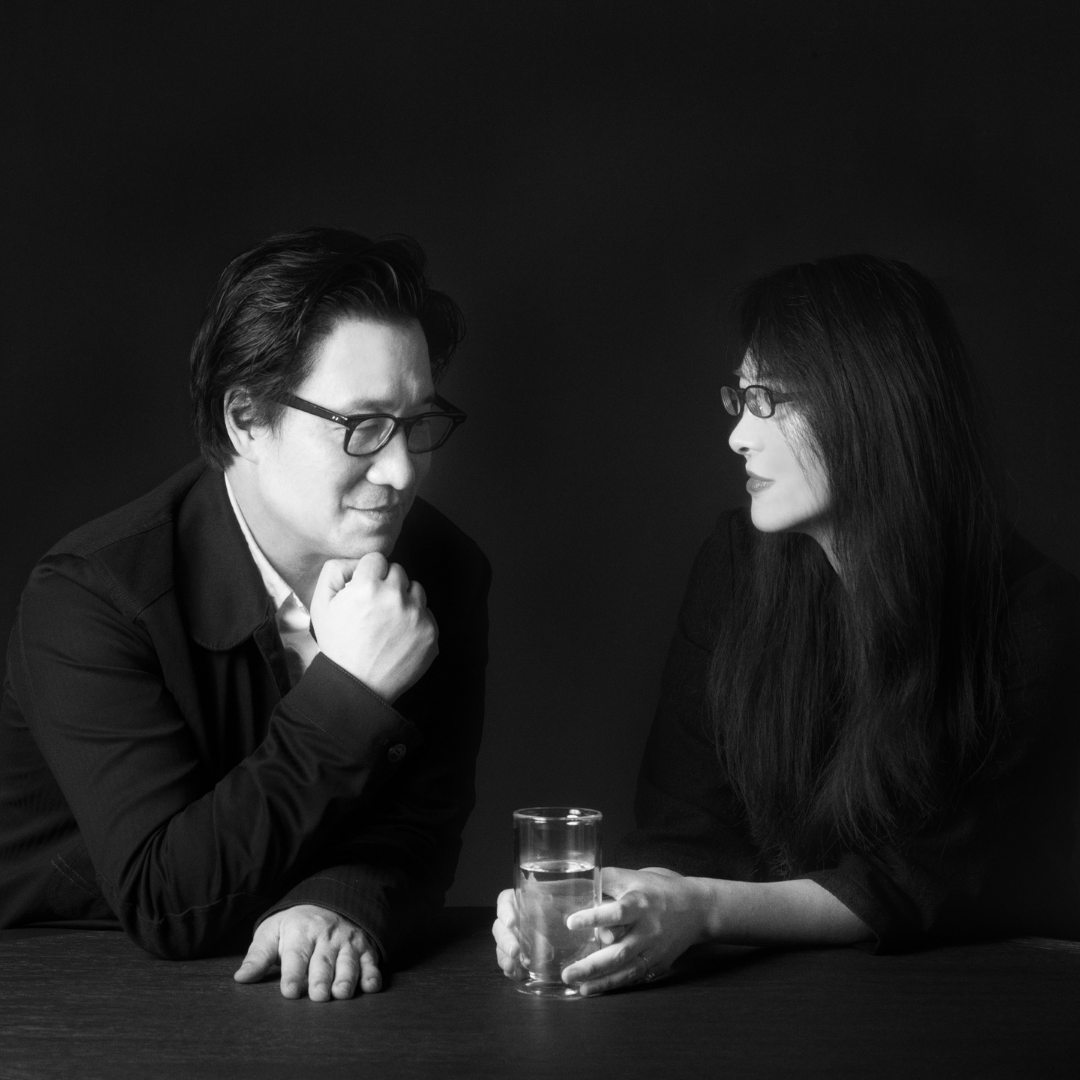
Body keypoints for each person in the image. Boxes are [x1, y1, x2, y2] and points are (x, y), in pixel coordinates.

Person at [494, 253, 1080, 995]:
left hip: (961, 1001)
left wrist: (701, 908)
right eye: (739, 399)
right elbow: (685, 829)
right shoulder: (737, 565)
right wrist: (612, 911)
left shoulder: (1033, 618)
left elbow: (926, 883)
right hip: (754, 994)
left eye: (769, 400)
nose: (739, 436)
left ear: (871, 407)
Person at [0, 227, 490, 1003]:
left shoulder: (443, 572)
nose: (401, 471)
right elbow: (167, 900)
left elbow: (421, 825)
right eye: (361, 427)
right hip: (67, 987)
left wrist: (335, 901)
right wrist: (351, 691)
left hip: (306, 988)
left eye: (418, 423)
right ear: (246, 421)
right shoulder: (90, 597)